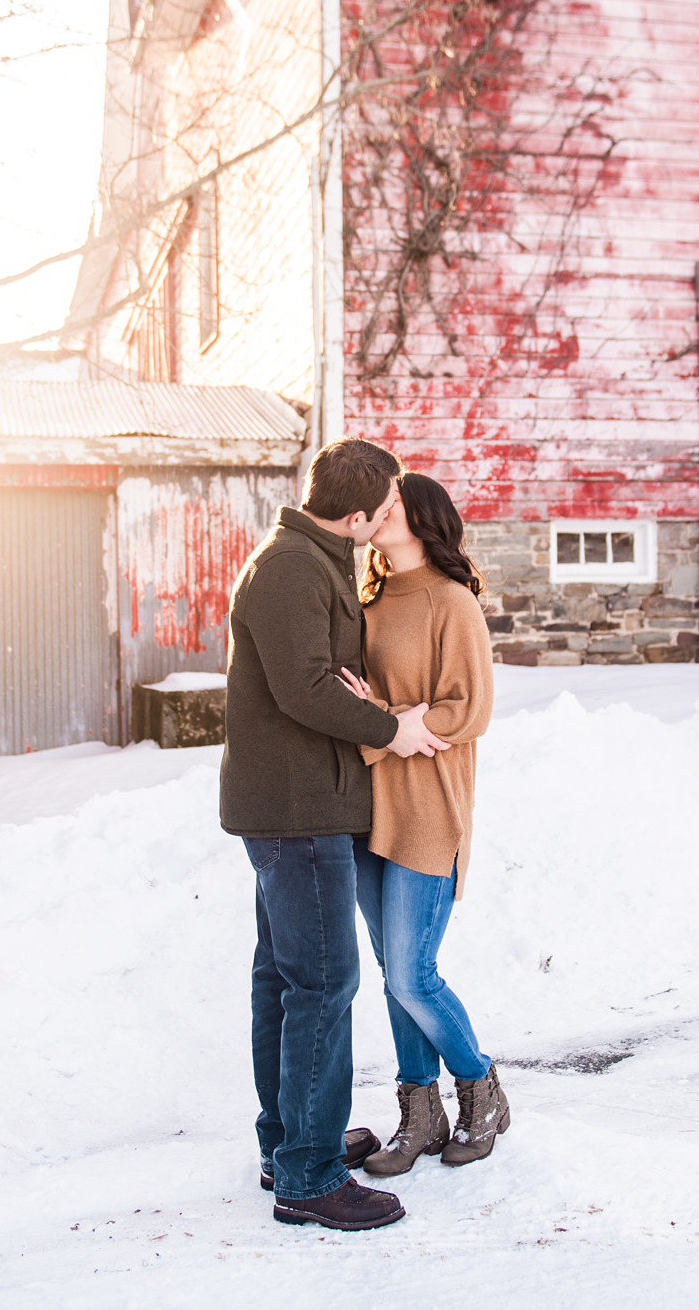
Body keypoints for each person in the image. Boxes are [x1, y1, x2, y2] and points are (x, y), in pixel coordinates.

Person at [222, 437, 450, 1232]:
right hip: (299, 811)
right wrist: (394, 728)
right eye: (383, 506)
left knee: (286, 981)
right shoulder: (291, 566)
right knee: (320, 986)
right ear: (354, 514)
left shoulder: (309, 555)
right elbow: (306, 689)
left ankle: (289, 1142)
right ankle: (310, 1176)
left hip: (298, 807)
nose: (389, 515)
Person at [337, 471, 508, 1175]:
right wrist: (384, 723)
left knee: (413, 973)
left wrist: (398, 723)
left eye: (395, 504)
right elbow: (358, 704)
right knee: (391, 972)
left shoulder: (452, 601)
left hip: (429, 806)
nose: (381, 512)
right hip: (369, 807)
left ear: (424, 518)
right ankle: (421, 1111)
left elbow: (469, 708)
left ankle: (482, 1086)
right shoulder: (369, 600)